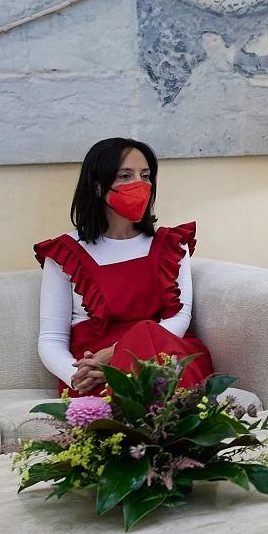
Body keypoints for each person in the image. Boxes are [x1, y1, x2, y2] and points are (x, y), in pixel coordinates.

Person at [35, 137, 213, 395]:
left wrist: (117, 353)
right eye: (125, 176)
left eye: (145, 175)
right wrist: (77, 375)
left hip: (160, 357)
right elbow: (51, 339)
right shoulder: (64, 253)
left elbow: (179, 318)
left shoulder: (173, 245)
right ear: (97, 187)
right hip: (95, 369)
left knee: (150, 340)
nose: (139, 185)